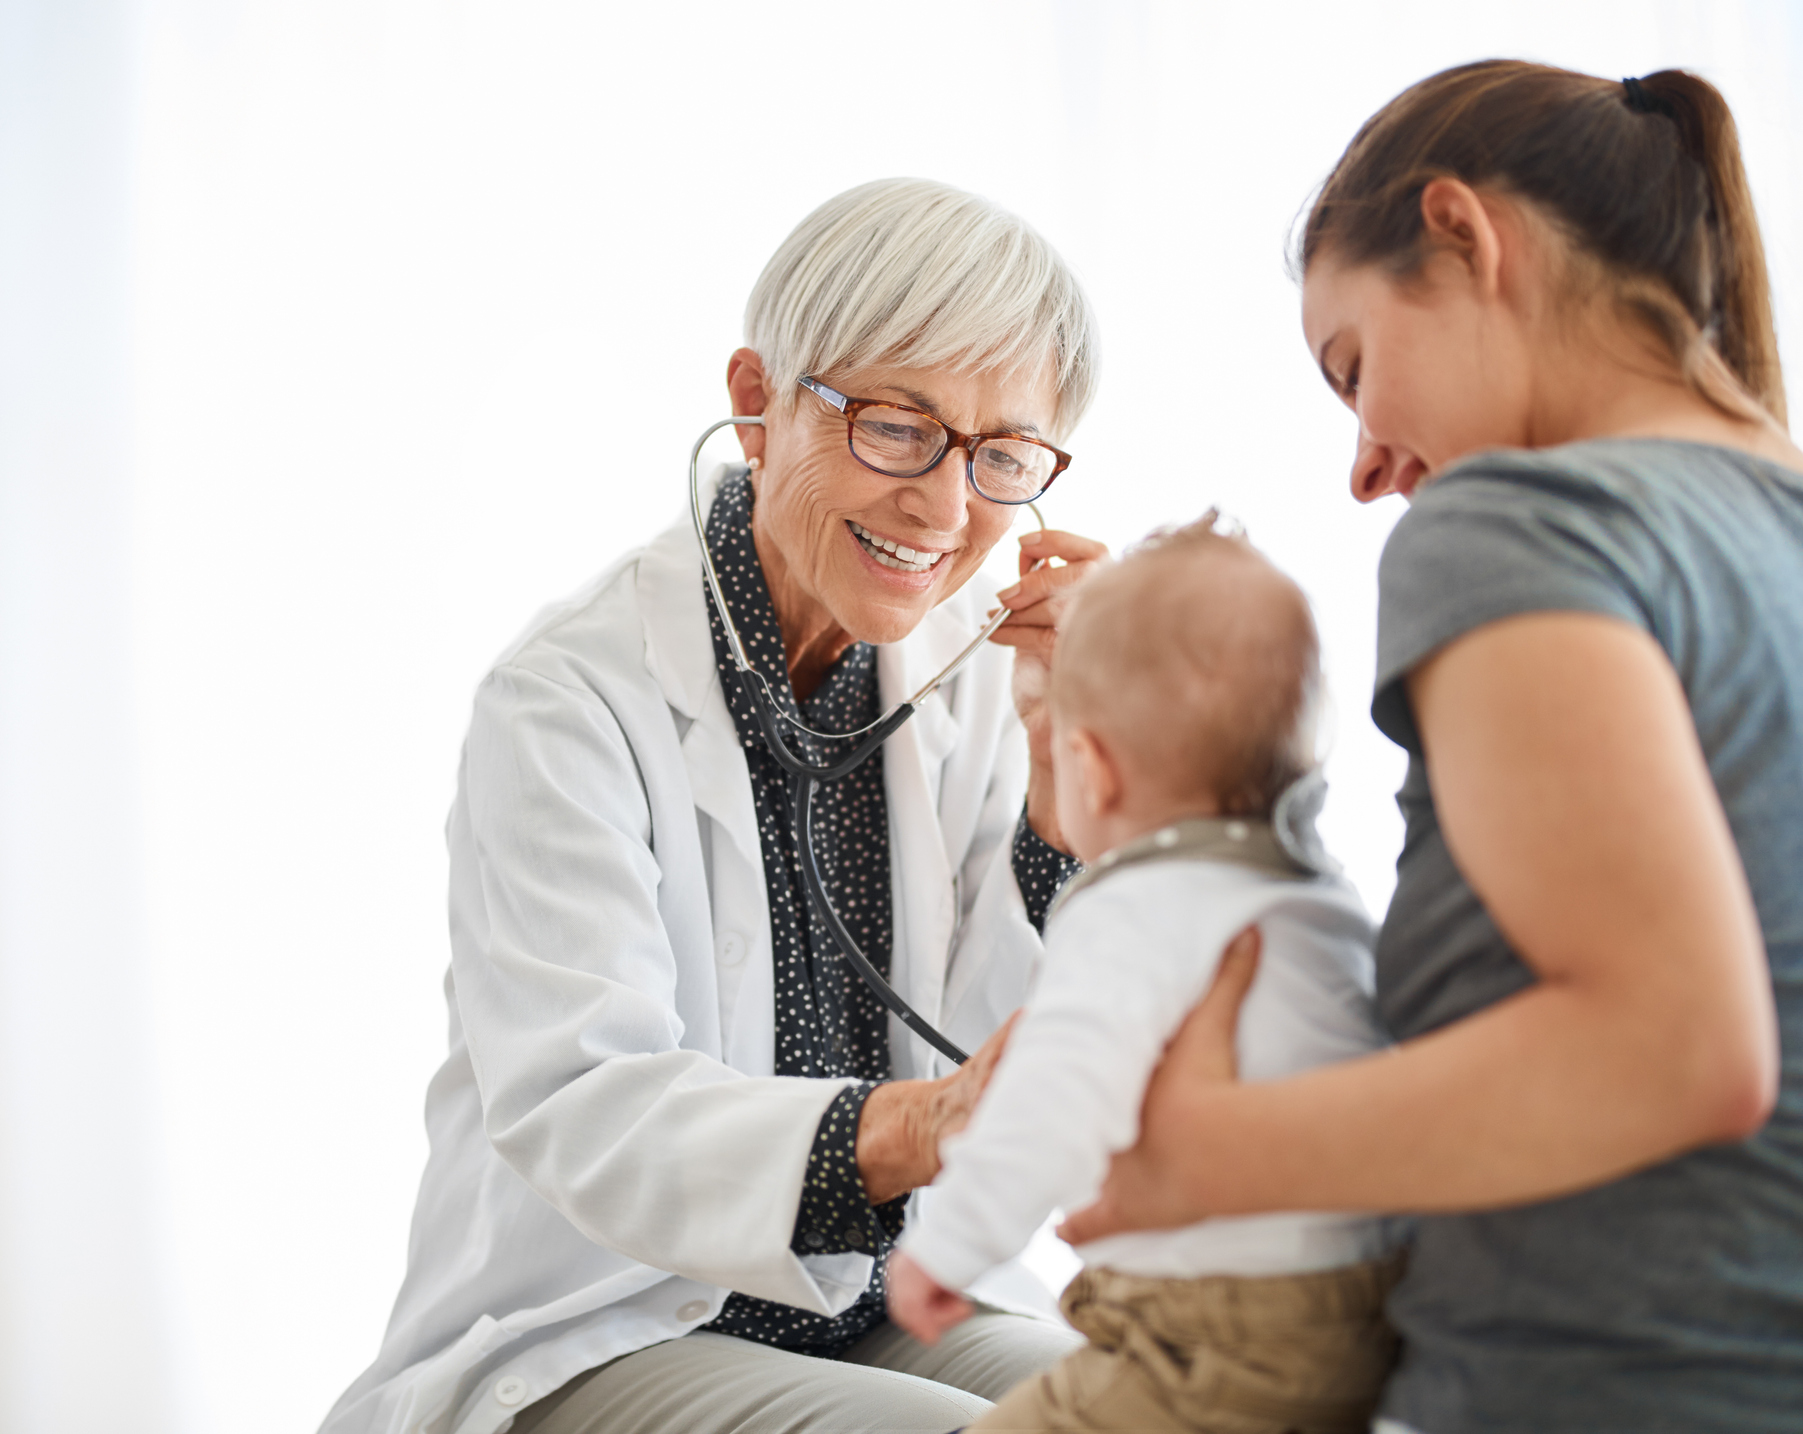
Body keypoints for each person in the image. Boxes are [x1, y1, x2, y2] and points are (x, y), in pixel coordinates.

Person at [1055, 60, 1803, 1434]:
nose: (1361, 464)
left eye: (1351, 367)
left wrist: (1207, 1152)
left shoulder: (1515, 522)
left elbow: (1679, 1046)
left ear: (1460, 236)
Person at [319, 178, 1112, 1434]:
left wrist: (1078, 792)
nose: (948, 509)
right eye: (898, 429)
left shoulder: (980, 682)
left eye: (1003, 458)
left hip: (885, 1301)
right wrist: (921, 1126)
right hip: (607, 1322)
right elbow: (590, 1111)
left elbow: (1012, 1061)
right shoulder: (569, 700)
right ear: (756, 402)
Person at [887, 519, 1404, 1434]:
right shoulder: (1318, 899)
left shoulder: (1133, 908)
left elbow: (1049, 1096)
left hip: (1208, 1331)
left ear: (1088, 764)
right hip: (1364, 1318)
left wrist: (947, 1250)